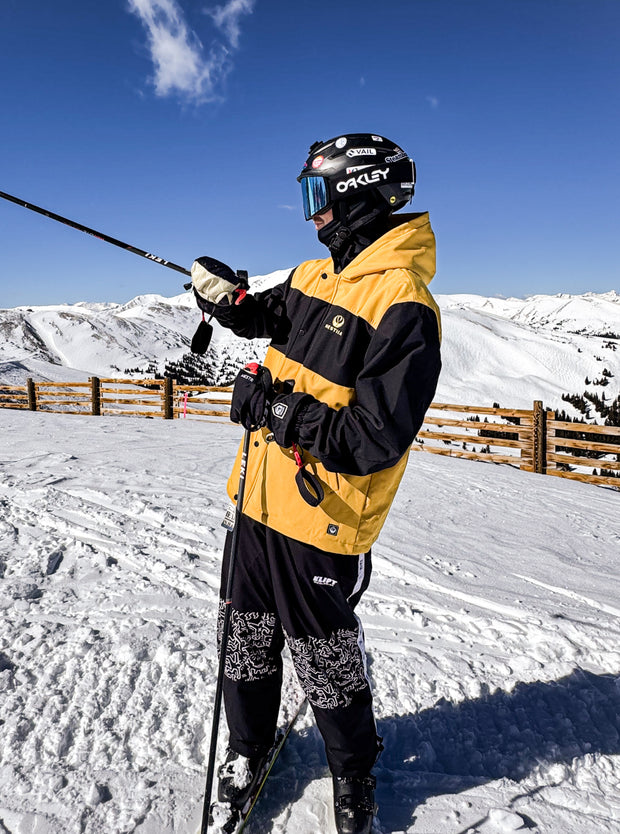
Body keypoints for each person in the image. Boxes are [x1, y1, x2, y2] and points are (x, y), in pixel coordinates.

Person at [191, 133, 442, 834]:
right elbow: (261, 313)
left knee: (325, 654)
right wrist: (225, 298)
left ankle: (353, 769)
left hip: (325, 518)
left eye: (315, 196)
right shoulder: (312, 277)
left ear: (355, 193)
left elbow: (372, 438)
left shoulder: (404, 305)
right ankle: (247, 751)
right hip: (258, 502)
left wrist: (273, 407)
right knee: (244, 634)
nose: (310, 216)